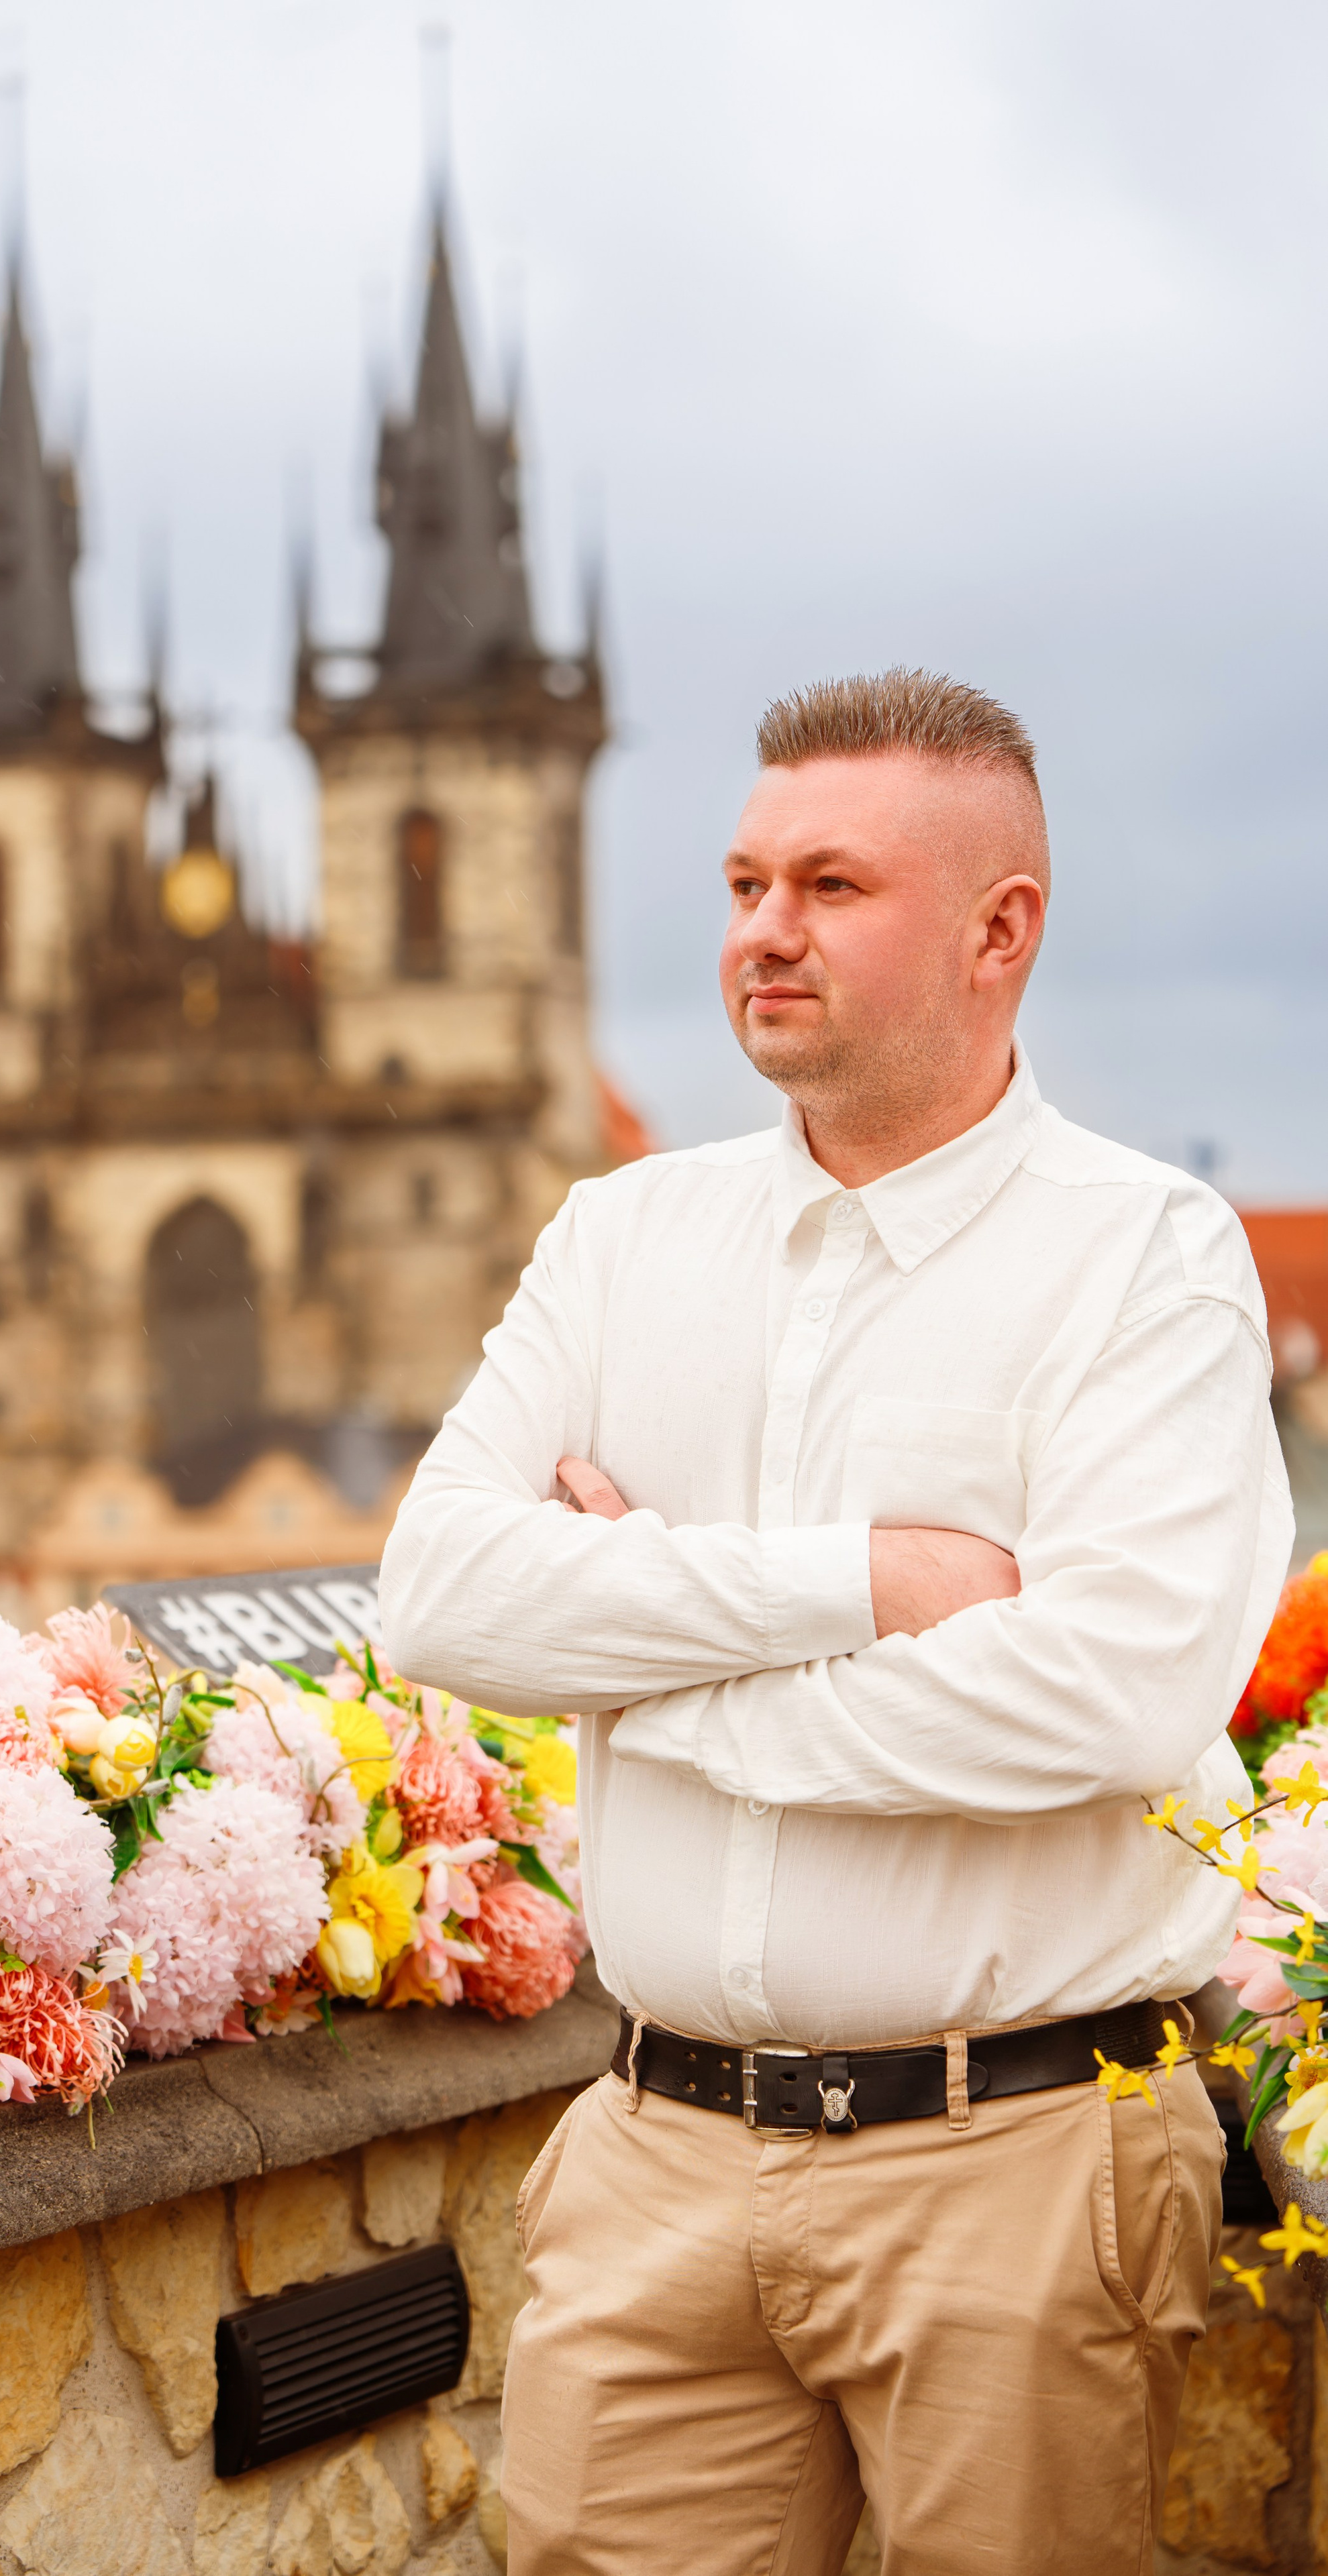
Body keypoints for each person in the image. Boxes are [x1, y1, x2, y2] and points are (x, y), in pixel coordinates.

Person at [378, 668, 1294, 2576]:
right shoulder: (621, 1239)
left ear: (1000, 931)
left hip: (1019, 2165)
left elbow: (1111, 1701)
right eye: (741, 882)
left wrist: (656, 1691)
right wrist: (860, 1584)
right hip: (657, 2157)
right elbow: (443, 1596)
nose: (762, 933)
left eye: (829, 886)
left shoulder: (1140, 1259)